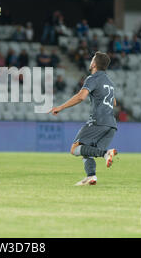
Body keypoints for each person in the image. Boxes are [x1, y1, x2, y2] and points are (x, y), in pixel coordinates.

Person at [49, 52, 118, 186]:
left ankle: (106, 154)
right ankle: (91, 177)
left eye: (92, 60)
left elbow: (81, 97)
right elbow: (114, 102)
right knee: (87, 149)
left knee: (75, 149)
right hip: (111, 125)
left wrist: (61, 107)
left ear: (94, 64)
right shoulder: (110, 82)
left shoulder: (92, 78)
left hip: (98, 121)